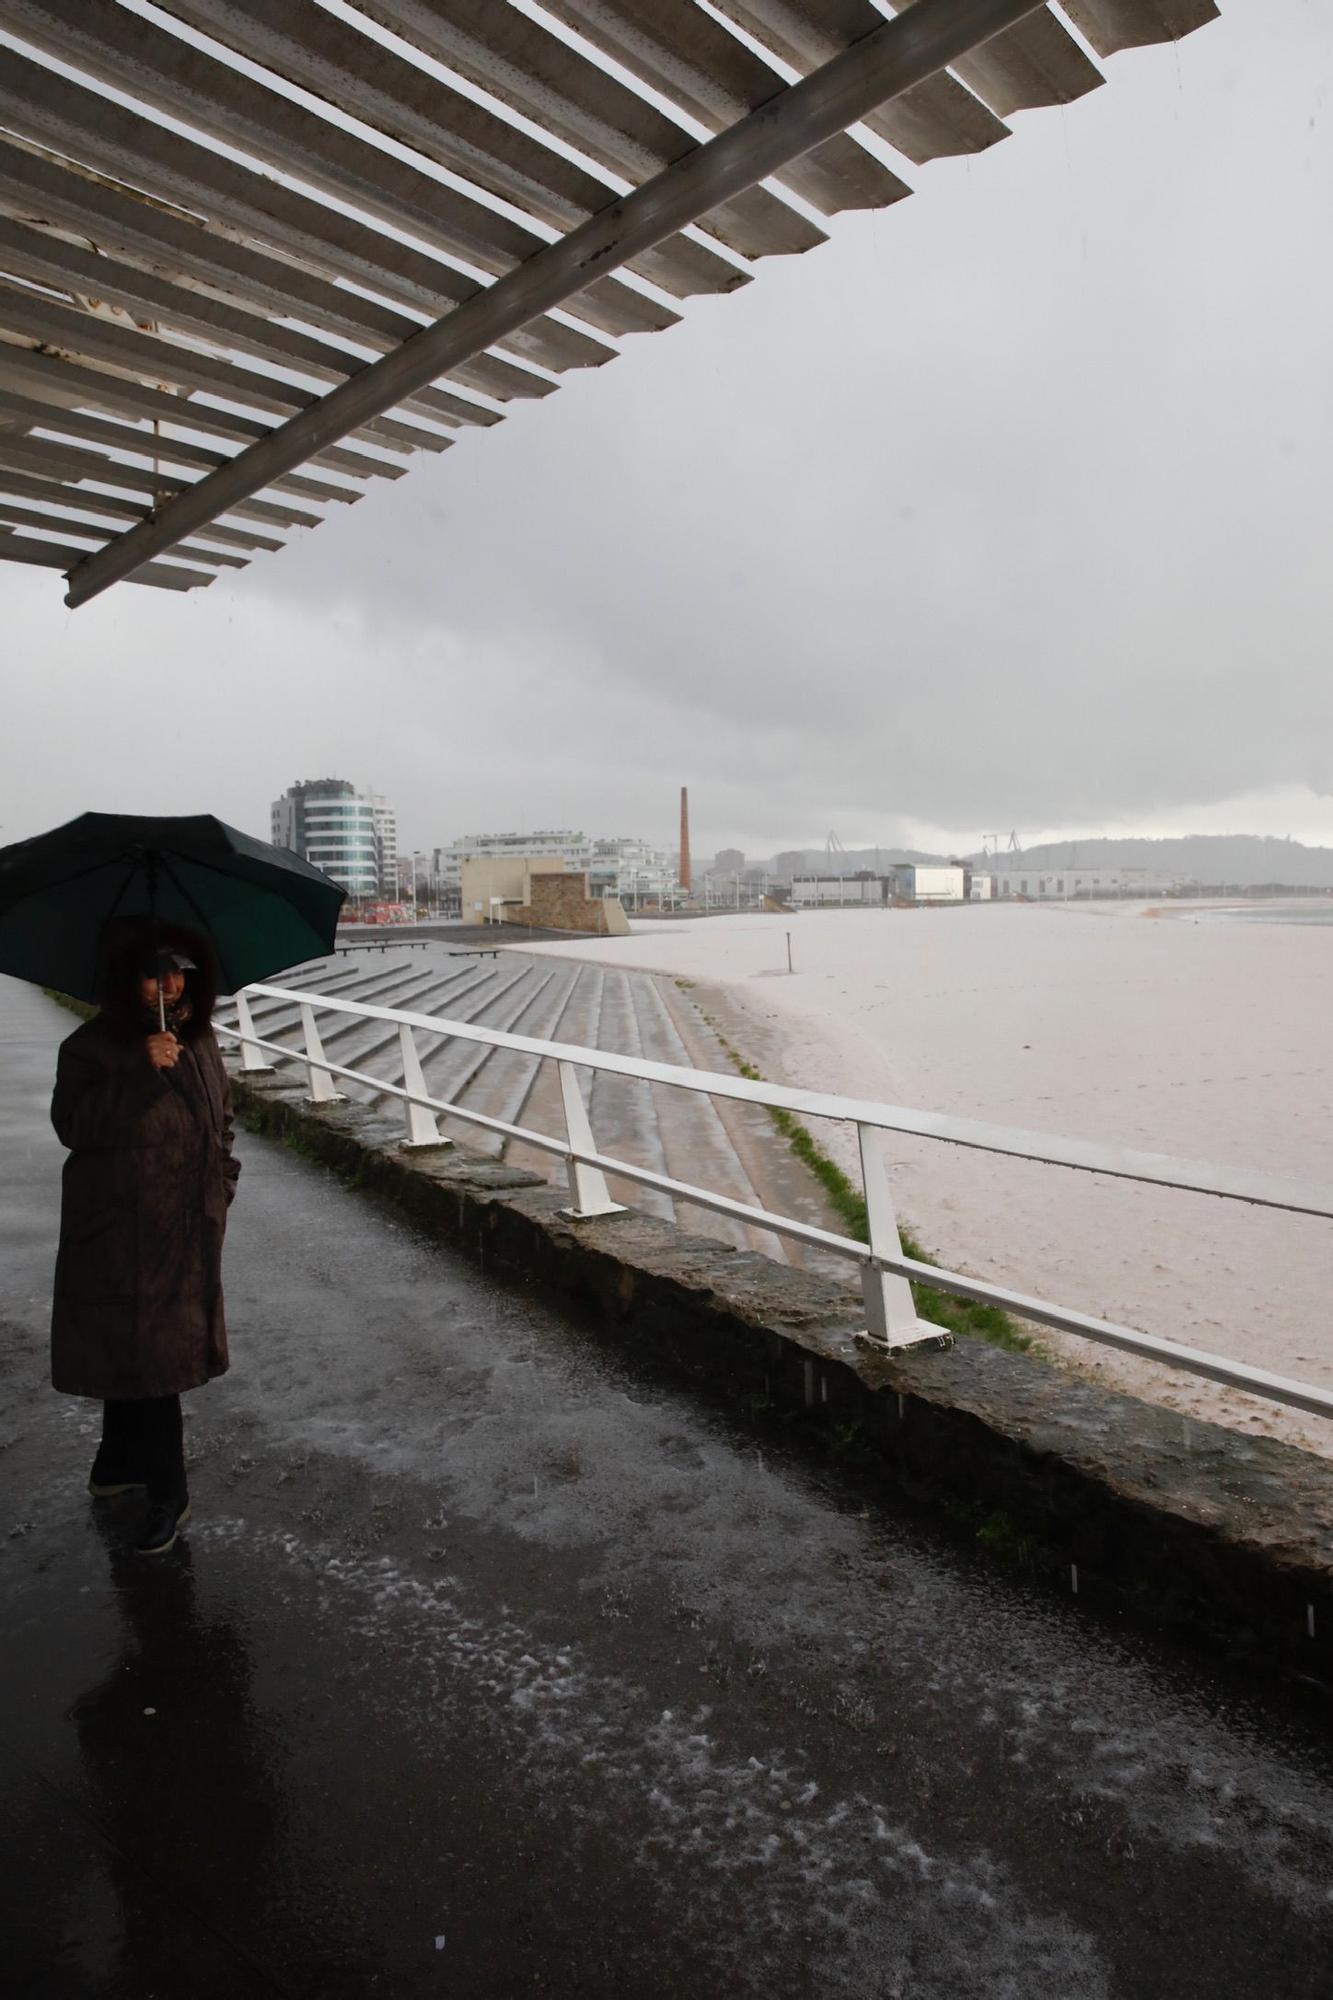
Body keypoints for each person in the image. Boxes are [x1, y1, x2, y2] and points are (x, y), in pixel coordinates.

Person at [50, 923, 240, 1555]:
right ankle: (169, 1495)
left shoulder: (202, 1039)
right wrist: (137, 1068)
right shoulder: (91, 1048)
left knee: (141, 1356)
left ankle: (116, 1466)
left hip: (189, 1229)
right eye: (155, 972)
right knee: (152, 1362)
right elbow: (74, 1125)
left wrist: (222, 1191)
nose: (170, 983)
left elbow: (223, 1124)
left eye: (180, 969)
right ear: (127, 981)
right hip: (121, 1231)